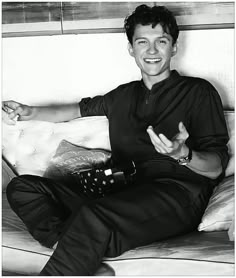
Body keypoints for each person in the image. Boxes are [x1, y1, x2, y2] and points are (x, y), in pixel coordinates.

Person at [3, 4, 229, 276]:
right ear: (131, 49)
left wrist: (182, 153)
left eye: (162, 42)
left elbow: (216, 167)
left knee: (97, 215)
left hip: (178, 195)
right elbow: (75, 109)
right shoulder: (122, 96)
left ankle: (80, 250)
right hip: (121, 193)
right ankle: (78, 250)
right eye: (142, 42)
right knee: (23, 187)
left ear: (174, 47)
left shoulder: (198, 92)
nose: (152, 51)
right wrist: (30, 113)